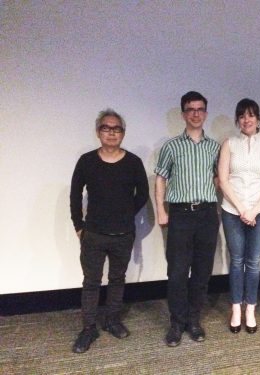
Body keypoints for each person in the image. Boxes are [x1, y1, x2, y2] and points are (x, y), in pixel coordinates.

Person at [70, 109, 149, 353]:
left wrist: (125, 216)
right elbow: (75, 195)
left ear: (123, 133)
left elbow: (143, 195)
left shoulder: (133, 162)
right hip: (93, 234)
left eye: (117, 129)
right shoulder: (86, 161)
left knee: (117, 279)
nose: (112, 133)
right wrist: (79, 226)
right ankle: (88, 328)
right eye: (106, 128)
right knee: (91, 282)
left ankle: (112, 320)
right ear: (98, 132)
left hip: (123, 235)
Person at [154, 91, 220, 347]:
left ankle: (194, 320)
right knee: (178, 272)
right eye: (190, 109)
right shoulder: (171, 146)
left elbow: (219, 178)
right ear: (183, 114)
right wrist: (161, 209)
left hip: (207, 214)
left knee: (202, 272)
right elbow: (161, 177)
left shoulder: (214, 147)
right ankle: (176, 322)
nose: (195, 113)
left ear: (205, 112)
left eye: (200, 109)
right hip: (180, 214)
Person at [218, 98, 260, 334]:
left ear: (258, 118)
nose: (247, 120)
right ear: (238, 120)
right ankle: (236, 308)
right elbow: (223, 180)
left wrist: (253, 210)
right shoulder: (229, 144)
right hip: (232, 210)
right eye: (242, 115)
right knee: (236, 260)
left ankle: (250, 309)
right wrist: (242, 209)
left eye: (251, 115)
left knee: (253, 263)